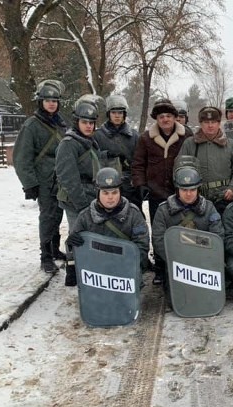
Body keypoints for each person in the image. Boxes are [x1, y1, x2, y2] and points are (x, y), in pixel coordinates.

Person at [131, 98, 192, 284]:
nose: (165, 119)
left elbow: (193, 161)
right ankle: (160, 268)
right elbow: (138, 163)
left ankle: (183, 264)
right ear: (156, 119)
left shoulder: (186, 135)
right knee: (159, 231)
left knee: (182, 227)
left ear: (175, 117)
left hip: (181, 192)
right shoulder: (146, 138)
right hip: (156, 192)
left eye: (169, 116)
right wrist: (141, 184)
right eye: (161, 116)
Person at [13, 80, 67, 273]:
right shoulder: (31, 125)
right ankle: (45, 256)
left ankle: (54, 249)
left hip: (60, 178)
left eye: (54, 100)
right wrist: (29, 184)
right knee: (47, 217)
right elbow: (21, 157)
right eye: (47, 100)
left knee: (58, 215)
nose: (51, 103)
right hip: (43, 180)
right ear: (41, 102)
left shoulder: (61, 123)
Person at [64, 168, 150, 286]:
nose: (110, 197)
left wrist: (128, 265)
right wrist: (71, 244)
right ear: (98, 193)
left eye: (114, 192)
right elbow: (73, 249)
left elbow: (142, 246)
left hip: (126, 272)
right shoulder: (85, 216)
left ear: (120, 192)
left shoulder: (134, 214)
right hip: (97, 275)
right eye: (105, 193)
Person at [55, 95, 107, 286]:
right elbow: (68, 178)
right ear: (77, 122)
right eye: (85, 122)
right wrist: (83, 204)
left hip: (92, 195)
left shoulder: (90, 141)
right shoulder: (69, 143)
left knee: (90, 235)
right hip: (76, 199)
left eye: (92, 123)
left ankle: (88, 268)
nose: (89, 126)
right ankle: (72, 272)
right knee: (76, 236)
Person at [151, 165, 224, 295]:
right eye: (184, 189)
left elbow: (217, 236)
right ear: (177, 189)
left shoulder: (209, 208)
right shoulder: (163, 210)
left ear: (198, 189)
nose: (188, 193)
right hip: (176, 263)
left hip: (204, 261)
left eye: (192, 189)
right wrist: (176, 259)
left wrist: (202, 258)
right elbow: (158, 240)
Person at [179, 106, 233, 216]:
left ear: (219, 123)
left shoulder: (230, 144)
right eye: (206, 122)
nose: (210, 125)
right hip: (197, 200)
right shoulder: (189, 144)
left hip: (224, 198)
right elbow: (180, 170)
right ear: (201, 123)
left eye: (213, 122)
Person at [94, 95, 142, 212]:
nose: (117, 115)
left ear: (124, 115)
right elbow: (92, 158)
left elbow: (140, 161)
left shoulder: (134, 136)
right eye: (114, 112)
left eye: (120, 113)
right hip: (107, 185)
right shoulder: (98, 135)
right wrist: (107, 155)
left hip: (130, 186)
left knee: (134, 216)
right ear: (109, 114)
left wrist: (138, 182)